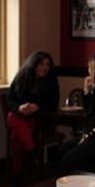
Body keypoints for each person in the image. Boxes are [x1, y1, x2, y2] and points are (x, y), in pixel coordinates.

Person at [6, 51, 60, 186]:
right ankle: (32, 151)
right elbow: (9, 100)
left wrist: (38, 107)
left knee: (15, 136)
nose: (45, 67)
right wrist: (20, 107)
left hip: (39, 119)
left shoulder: (51, 81)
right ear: (33, 64)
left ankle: (16, 172)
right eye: (41, 64)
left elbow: (53, 104)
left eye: (48, 65)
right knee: (14, 117)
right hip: (18, 115)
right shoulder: (21, 77)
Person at [58, 53, 95, 174]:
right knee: (64, 149)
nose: (88, 71)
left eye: (90, 68)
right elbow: (91, 112)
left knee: (68, 159)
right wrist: (87, 91)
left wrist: (86, 136)